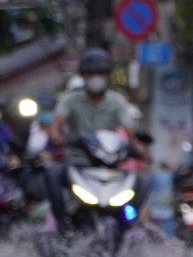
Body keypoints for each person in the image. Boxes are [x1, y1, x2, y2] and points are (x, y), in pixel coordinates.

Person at [45, 48, 150, 233]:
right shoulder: (70, 100)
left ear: (107, 75)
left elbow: (130, 133)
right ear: (83, 75)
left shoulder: (117, 101)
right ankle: (62, 225)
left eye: (100, 73)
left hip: (108, 164)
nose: (96, 77)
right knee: (52, 174)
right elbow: (56, 125)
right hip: (77, 162)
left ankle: (128, 225)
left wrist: (140, 149)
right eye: (91, 73)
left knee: (143, 182)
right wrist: (57, 136)